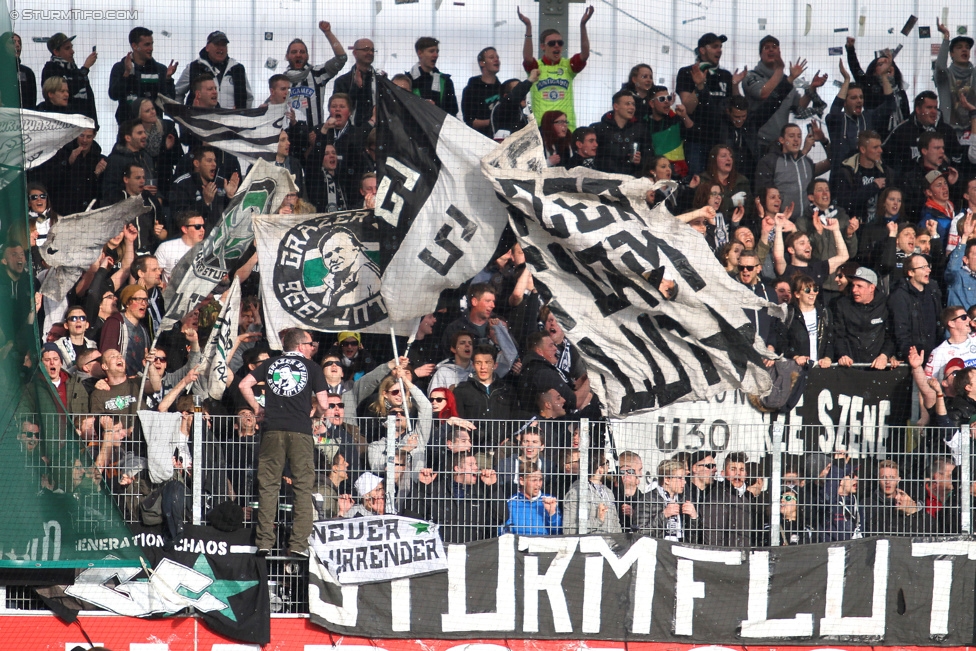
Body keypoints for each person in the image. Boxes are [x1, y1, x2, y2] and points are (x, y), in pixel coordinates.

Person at [239, 328, 329, 557]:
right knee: (302, 486)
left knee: (268, 486)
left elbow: (244, 385)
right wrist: (316, 413)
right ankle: (298, 545)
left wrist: (258, 408)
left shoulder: (271, 364)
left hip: (272, 429)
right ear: (300, 346)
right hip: (300, 431)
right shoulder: (313, 368)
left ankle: (264, 543)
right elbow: (325, 404)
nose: (313, 347)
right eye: (310, 344)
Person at [741, 35, 827, 149]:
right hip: (757, 143)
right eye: (766, 47)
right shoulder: (751, 76)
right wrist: (781, 70)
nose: (771, 49)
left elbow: (799, 107)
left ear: (780, 52)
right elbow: (763, 93)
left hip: (780, 143)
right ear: (760, 54)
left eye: (774, 47)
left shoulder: (786, 81)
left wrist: (812, 88)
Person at [518, 4, 595, 130]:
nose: (557, 46)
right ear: (543, 46)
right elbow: (527, 57)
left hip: (567, 129)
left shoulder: (568, 66)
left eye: (560, 43)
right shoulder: (537, 67)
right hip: (544, 129)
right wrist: (528, 28)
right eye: (552, 43)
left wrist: (583, 25)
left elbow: (585, 54)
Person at [676, 33, 743, 174]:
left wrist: (735, 85)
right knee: (698, 182)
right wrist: (699, 84)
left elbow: (738, 107)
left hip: (721, 139)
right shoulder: (686, 72)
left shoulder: (725, 75)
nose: (719, 50)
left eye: (720, 47)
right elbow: (688, 107)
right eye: (714, 47)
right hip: (696, 139)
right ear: (702, 50)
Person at [825, 59, 895, 174]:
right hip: (842, 177)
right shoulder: (836, 120)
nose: (859, 101)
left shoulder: (868, 116)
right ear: (845, 102)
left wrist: (883, 76)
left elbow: (890, 104)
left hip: (864, 175)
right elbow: (835, 110)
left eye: (861, 97)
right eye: (853, 98)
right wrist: (846, 80)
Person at [416, 452, 502, 543]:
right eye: (471, 465)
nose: (476, 468)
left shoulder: (482, 492)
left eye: (476, 464)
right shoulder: (437, 490)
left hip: (472, 551)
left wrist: (493, 487)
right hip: (441, 550)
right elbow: (415, 515)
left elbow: (500, 517)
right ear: (458, 469)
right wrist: (422, 487)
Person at [282, 21, 348, 139]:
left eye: (302, 52)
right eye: (294, 52)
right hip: (290, 137)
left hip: (315, 136)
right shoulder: (282, 80)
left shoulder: (317, 73)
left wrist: (328, 33)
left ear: (307, 56)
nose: (298, 55)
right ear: (287, 56)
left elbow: (342, 58)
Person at [754, 123, 831, 223]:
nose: (796, 139)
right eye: (791, 136)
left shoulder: (807, 162)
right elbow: (762, 195)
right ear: (781, 140)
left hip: (807, 223)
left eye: (799, 136)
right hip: (781, 223)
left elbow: (832, 162)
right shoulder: (769, 162)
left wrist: (823, 140)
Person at [883, 90, 964, 178]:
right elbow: (885, 155)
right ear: (918, 109)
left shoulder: (947, 131)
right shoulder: (902, 131)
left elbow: (958, 159)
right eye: (929, 107)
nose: (934, 111)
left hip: (942, 184)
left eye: (935, 107)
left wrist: (946, 160)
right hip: (911, 185)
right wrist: (901, 176)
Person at [108, 27, 177, 125]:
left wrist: (168, 79)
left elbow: (169, 102)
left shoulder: (160, 69)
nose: (151, 48)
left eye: (152, 44)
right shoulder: (120, 68)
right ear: (135, 46)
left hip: (154, 128)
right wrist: (127, 74)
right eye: (147, 45)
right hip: (128, 128)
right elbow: (113, 95)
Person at [452, 344, 518, 447]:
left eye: (487, 363)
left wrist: (510, 438)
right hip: (474, 450)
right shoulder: (462, 390)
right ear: (473, 365)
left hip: (504, 450)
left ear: (495, 365)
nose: (483, 367)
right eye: (479, 363)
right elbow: (459, 420)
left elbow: (515, 419)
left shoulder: (507, 390)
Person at [831, 266, 897, 369]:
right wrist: (843, 354)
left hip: (878, 367)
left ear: (872, 288)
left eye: (859, 286)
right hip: (850, 366)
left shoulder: (886, 304)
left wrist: (885, 355)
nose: (854, 290)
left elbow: (892, 335)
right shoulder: (842, 305)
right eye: (853, 285)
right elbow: (838, 335)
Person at [175, 31, 252, 109]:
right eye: (217, 44)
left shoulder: (238, 69)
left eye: (224, 45)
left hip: (232, 120)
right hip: (201, 119)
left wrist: (243, 117)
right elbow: (177, 93)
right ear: (207, 47)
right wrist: (183, 114)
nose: (221, 48)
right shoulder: (194, 67)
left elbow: (248, 98)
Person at [170, 146, 240, 230]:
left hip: (218, 238)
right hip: (194, 239)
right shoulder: (182, 184)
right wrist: (204, 202)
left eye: (214, 160)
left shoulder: (222, 183)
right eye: (209, 161)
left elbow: (233, 217)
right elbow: (179, 217)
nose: (214, 164)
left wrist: (230, 197)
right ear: (197, 163)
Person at [888, 254, 942, 361]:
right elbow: (901, 331)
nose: (928, 270)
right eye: (923, 268)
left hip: (934, 355)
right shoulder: (900, 296)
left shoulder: (933, 290)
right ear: (911, 272)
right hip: (913, 357)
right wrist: (910, 356)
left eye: (928, 266)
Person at [699, 451, 759, 547]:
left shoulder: (746, 498)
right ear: (723, 473)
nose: (738, 473)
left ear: (746, 474)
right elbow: (712, 537)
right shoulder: (717, 497)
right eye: (733, 469)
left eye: (742, 469)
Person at [41, 33, 98, 126]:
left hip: (85, 124)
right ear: (56, 52)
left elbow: (88, 96)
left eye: (71, 47)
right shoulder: (50, 69)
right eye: (67, 48)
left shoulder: (74, 69)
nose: (72, 51)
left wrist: (94, 122)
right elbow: (69, 90)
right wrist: (85, 68)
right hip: (65, 125)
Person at [778, 273, 834, 368]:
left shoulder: (824, 312)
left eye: (815, 289)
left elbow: (831, 339)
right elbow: (781, 341)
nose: (812, 293)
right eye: (807, 290)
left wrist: (828, 357)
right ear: (797, 294)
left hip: (819, 368)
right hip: (797, 368)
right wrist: (795, 356)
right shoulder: (789, 313)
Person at [590, 90, 651, 176]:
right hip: (604, 180)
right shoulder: (598, 129)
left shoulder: (641, 130)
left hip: (631, 180)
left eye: (633, 104)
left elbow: (649, 156)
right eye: (627, 104)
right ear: (616, 106)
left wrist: (640, 161)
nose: (632, 107)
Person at [636, 458, 698, 541]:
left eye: (684, 478)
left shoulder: (684, 499)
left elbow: (694, 538)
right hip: (657, 550)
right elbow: (640, 533)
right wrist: (664, 515)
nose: (684, 482)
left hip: (679, 550)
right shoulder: (647, 499)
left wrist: (694, 518)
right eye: (680, 478)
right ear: (667, 480)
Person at [563, 448, 621, 534]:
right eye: (607, 463)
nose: (608, 466)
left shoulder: (608, 492)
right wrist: (598, 521)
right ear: (600, 469)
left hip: (611, 545)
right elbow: (568, 529)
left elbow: (616, 523)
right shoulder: (575, 493)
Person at [833, 130, 887, 222]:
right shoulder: (846, 173)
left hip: (878, 230)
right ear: (863, 149)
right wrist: (873, 187)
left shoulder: (885, 171)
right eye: (875, 147)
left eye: (880, 146)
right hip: (854, 228)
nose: (880, 150)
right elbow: (845, 202)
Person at [98, 284, 150, 377]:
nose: (144, 303)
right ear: (127, 302)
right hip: (120, 383)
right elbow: (106, 356)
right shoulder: (114, 323)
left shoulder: (143, 329)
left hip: (139, 383)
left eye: (145, 300)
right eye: (138, 299)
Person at [499, 459, 562, 535]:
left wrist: (552, 514)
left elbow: (558, 533)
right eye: (534, 480)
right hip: (520, 545)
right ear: (522, 481)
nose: (538, 484)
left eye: (540, 480)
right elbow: (503, 533)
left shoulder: (549, 501)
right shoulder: (511, 503)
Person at [934, 19, 976, 133]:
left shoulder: (974, 74)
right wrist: (946, 36)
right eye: (959, 47)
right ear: (951, 53)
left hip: (973, 129)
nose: (964, 49)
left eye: (967, 47)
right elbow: (940, 67)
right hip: (949, 131)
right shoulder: (945, 76)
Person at [644, 86, 694, 178]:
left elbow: (694, 133)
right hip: (654, 173)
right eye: (662, 99)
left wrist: (685, 116)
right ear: (652, 103)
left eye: (668, 98)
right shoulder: (644, 123)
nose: (667, 101)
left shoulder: (676, 119)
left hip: (678, 173)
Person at [101, 119, 155, 204]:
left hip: (148, 208)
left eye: (144, 132)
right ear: (128, 138)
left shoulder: (147, 157)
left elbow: (153, 185)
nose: (145, 136)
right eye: (140, 133)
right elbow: (110, 191)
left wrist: (157, 199)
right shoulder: (115, 160)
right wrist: (139, 190)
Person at [865, 460, 920, 535]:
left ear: (898, 480)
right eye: (884, 477)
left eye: (892, 477)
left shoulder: (905, 502)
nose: (888, 481)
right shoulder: (867, 504)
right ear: (878, 480)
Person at [408, 37, 458, 116]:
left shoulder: (445, 81)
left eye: (437, 51)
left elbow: (452, 112)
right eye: (431, 51)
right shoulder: (408, 80)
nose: (436, 55)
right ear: (420, 53)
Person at [332, 38, 377, 125]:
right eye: (366, 50)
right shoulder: (342, 82)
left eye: (372, 50)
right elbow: (340, 109)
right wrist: (357, 88)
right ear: (355, 53)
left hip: (378, 132)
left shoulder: (380, 81)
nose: (370, 53)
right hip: (352, 133)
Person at [154, 211, 206, 282]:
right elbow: (152, 273)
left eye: (203, 226)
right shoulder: (166, 247)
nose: (202, 230)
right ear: (185, 229)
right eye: (197, 227)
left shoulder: (209, 248)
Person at [926, 307, 976, 381]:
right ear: (951, 323)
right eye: (963, 317)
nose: (969, 319)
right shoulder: (939, 352)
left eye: (968, 316)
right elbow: (928, 383)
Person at [462, 47, 501, 138]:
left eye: (497, 57)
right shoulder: (471, 90)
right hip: (480, 139)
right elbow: (470, 121)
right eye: (491, 57)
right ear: (482, 63)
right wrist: (493, 121)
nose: (496, 60)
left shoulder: (502, 88)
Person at [11, 33, 36, 109]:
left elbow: (32, 102)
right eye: (13, 42)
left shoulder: (27, 72)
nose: (17, 45)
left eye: (19, 42)